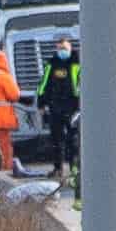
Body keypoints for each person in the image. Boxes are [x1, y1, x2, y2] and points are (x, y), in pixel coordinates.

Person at [37, 37, 82, 179]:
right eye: (60, 48)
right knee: (56, 140)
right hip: (55, 107)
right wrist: (41, 103)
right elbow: (43, 85)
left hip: (73, 107)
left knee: (73, 139)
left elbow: (82, 85)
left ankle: (74, 167)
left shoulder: (77, 63)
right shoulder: (52, 64)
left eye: (65, 48)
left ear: (71, 48)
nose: (63, 51)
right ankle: (58, 168)